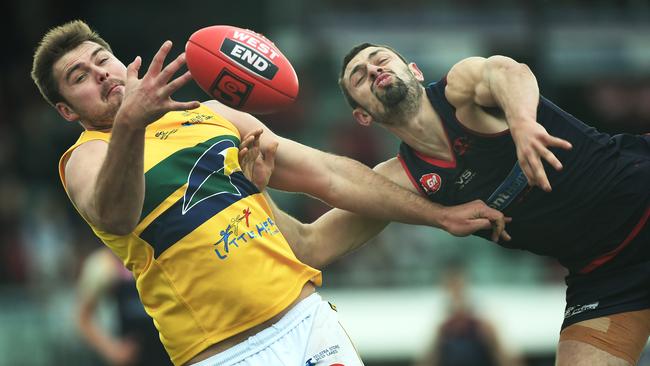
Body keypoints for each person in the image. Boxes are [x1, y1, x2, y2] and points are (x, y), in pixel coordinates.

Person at [30, 21, 509, 366]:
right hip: (225, 351)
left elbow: (329, 174)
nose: (100, 75)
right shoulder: (85, 159)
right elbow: (116, 215)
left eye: (101, 60)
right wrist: (131, 124)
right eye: (79, 78)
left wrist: (438, 215)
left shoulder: (211, 113)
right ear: (67, 110)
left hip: (306, 320)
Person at [277, 43, 648, 365]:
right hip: (604, 276)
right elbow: (312, 245)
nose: (374, 69)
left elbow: (508, 70)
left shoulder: (461, 91)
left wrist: (521, 124)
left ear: (415, 71)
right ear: (362, 115)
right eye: (359, 76)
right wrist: (247, 187)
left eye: (381, 59)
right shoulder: (398, 183)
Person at [76, 247, 171, 366]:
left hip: (170, 350)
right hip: (134, 356)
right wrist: (112, 350)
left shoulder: (157, 250)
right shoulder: (103, 266)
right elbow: (84, 317)